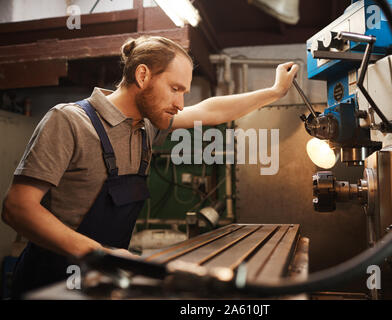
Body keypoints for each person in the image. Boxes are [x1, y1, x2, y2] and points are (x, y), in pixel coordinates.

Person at [1, 36, 299, 298]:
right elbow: (17, 208)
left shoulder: (147, 126)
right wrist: (100, 254)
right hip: (49, 282)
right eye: (174, 88)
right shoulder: (68, 121)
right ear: (142, 75)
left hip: (103, 280)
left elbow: (210, 109)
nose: (181, 104)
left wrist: (274, 92)